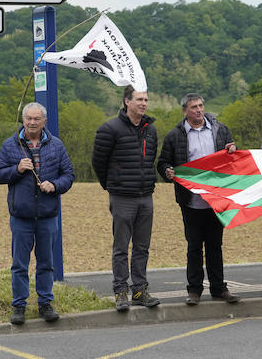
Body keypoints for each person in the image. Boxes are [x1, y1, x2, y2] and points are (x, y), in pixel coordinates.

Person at [0, 102, 75, 325]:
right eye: (28, 118)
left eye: (36, 119)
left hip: (48, 215)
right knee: (19, 264)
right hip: (21, 216)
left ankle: (45, 303)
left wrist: (55, 185)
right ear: (23, 120)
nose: (32, 122)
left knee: (46, 262)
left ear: (44, 121)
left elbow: (68, 175)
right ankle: (19, 305)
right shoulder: (10, 145)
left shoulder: (56, 145)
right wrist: (17, 169)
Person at [157, 93, 241, 305]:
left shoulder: (220, 130)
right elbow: (163, 161)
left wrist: (232, 150)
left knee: (215, 245)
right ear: (184, 111)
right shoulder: (175, 135)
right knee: (194, 246)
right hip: (190, 201)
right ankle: (194, 291)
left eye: (201, 105)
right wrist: (167, 171)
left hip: (215, 199)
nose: (199, 110)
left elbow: (231, 156)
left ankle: (219, 289)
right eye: (194, 107)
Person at [92, 85, 160, 311]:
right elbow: (98, 163)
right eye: (139, 99)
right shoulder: (109, 129)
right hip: (122, 197)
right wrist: (112, 186)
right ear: (127, 102)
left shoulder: (150, 130)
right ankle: (120, 291)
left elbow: (150, 159)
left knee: (142, 247)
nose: (143, 103)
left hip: (145, 196)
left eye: (146, 100)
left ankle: (140, 290)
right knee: (121, 247)